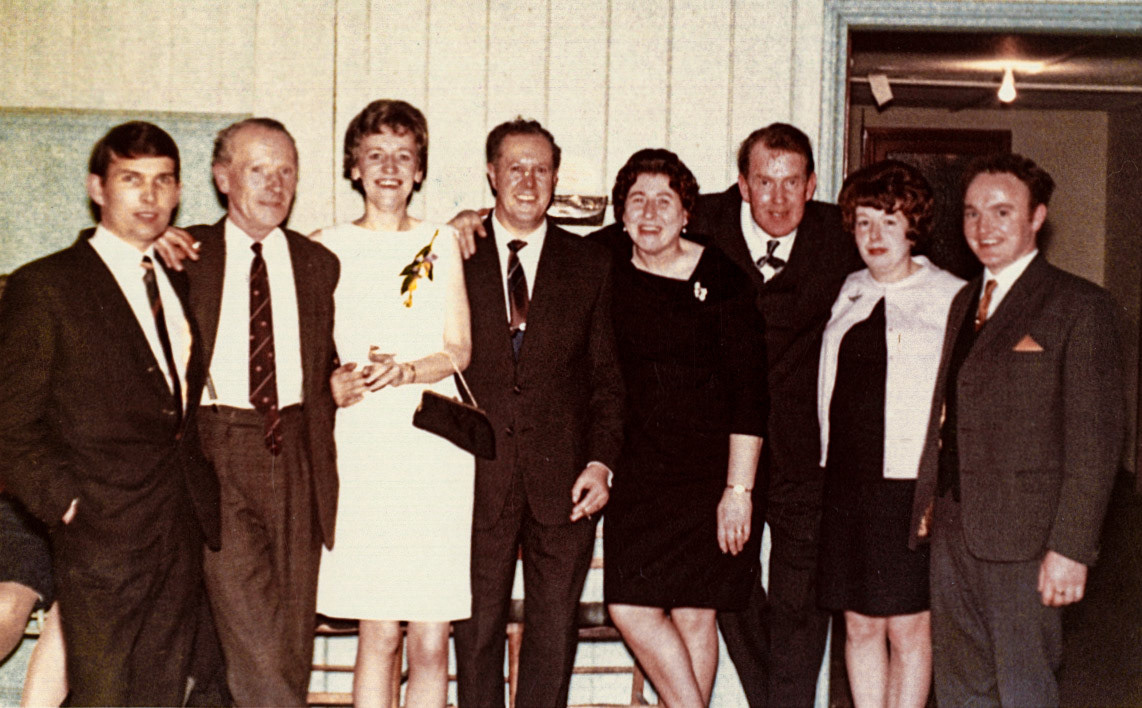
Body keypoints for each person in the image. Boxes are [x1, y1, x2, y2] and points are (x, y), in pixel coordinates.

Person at [0, 121, 220, 705]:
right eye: (131, 180)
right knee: (101, 696)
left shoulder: (175, 275)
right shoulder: (45, 286)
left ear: (177, 192)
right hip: (96, 530)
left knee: (159, 691)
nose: (149, 196)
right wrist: (66, 503)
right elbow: (10, 424)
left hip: (175, 524)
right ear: (98, 188)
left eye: (162, 181)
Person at [909, 153, 1124, 706]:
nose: (985, 228)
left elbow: (1095, 442)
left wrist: (1071, 549)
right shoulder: (964, 300)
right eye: (973, 213)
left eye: (1003, 212)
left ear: (1036, 219)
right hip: (955, 528)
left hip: (1028, 538)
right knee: (960, 684)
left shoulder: (1079, 306)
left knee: (1024, 686)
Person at [449, 118, 624, 707]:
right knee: (475, 636)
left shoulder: (590, 264)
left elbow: (607, 381)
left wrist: (600, 464)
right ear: (491, 174)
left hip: (564, 481)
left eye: (541, 169)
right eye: (515, 167)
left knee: (553, 635)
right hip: (475, 475)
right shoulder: (453, 252)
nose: (528, 180)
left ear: (555, 177)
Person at [693, 124, 862, 707]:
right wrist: (475, 223)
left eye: (793, 183)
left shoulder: (839, 237)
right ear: (741, 184)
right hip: (723, 455)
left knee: (800, 597)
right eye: (764, 182)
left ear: (813, 185)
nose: (778, 199)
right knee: (731, 586)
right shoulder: (701, 221)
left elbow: (917, 257)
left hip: (804, 452)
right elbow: (611, 240)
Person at [311, 99, 472, 707]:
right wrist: (333, 382)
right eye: (375, 155)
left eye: (403, 156)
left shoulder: (440, 242)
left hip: (432, 451)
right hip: (364, 450)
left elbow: (459, 349)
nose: (389, 167)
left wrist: (406, 369)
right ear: (354, 167)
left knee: (432, 635)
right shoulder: (322, 245)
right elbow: (303, 353)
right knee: (378, 631)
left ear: (420, 170)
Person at [592, 148, 767, 706]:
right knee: (630, 605)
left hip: (714, 477)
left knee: (696, 610)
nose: (649, 213)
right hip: (640, 472)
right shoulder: (605, 261)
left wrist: (737, 493)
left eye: (663, 200)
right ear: (620, 213)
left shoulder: (725, 281)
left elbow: (750, 396)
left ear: (685, 212)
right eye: (636, 200)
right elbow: (532, 234)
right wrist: (468, 222)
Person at [183, 118, 340, 706]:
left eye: (286, 172)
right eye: (258, 170)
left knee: (291, 637)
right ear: (223, 178)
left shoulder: (319, 264)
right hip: (217, 449)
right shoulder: (184, 253)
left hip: (297, 448)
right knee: (252, 633)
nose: (275, 185)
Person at [816, 161, 963, 708]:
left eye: (888, 222)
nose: (874, 236)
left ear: (913, 228)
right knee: (857, 625)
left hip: (906, 487)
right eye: (862, 223)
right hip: (847, 484)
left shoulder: (952, 296)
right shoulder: (850, 289)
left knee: (907, 628)